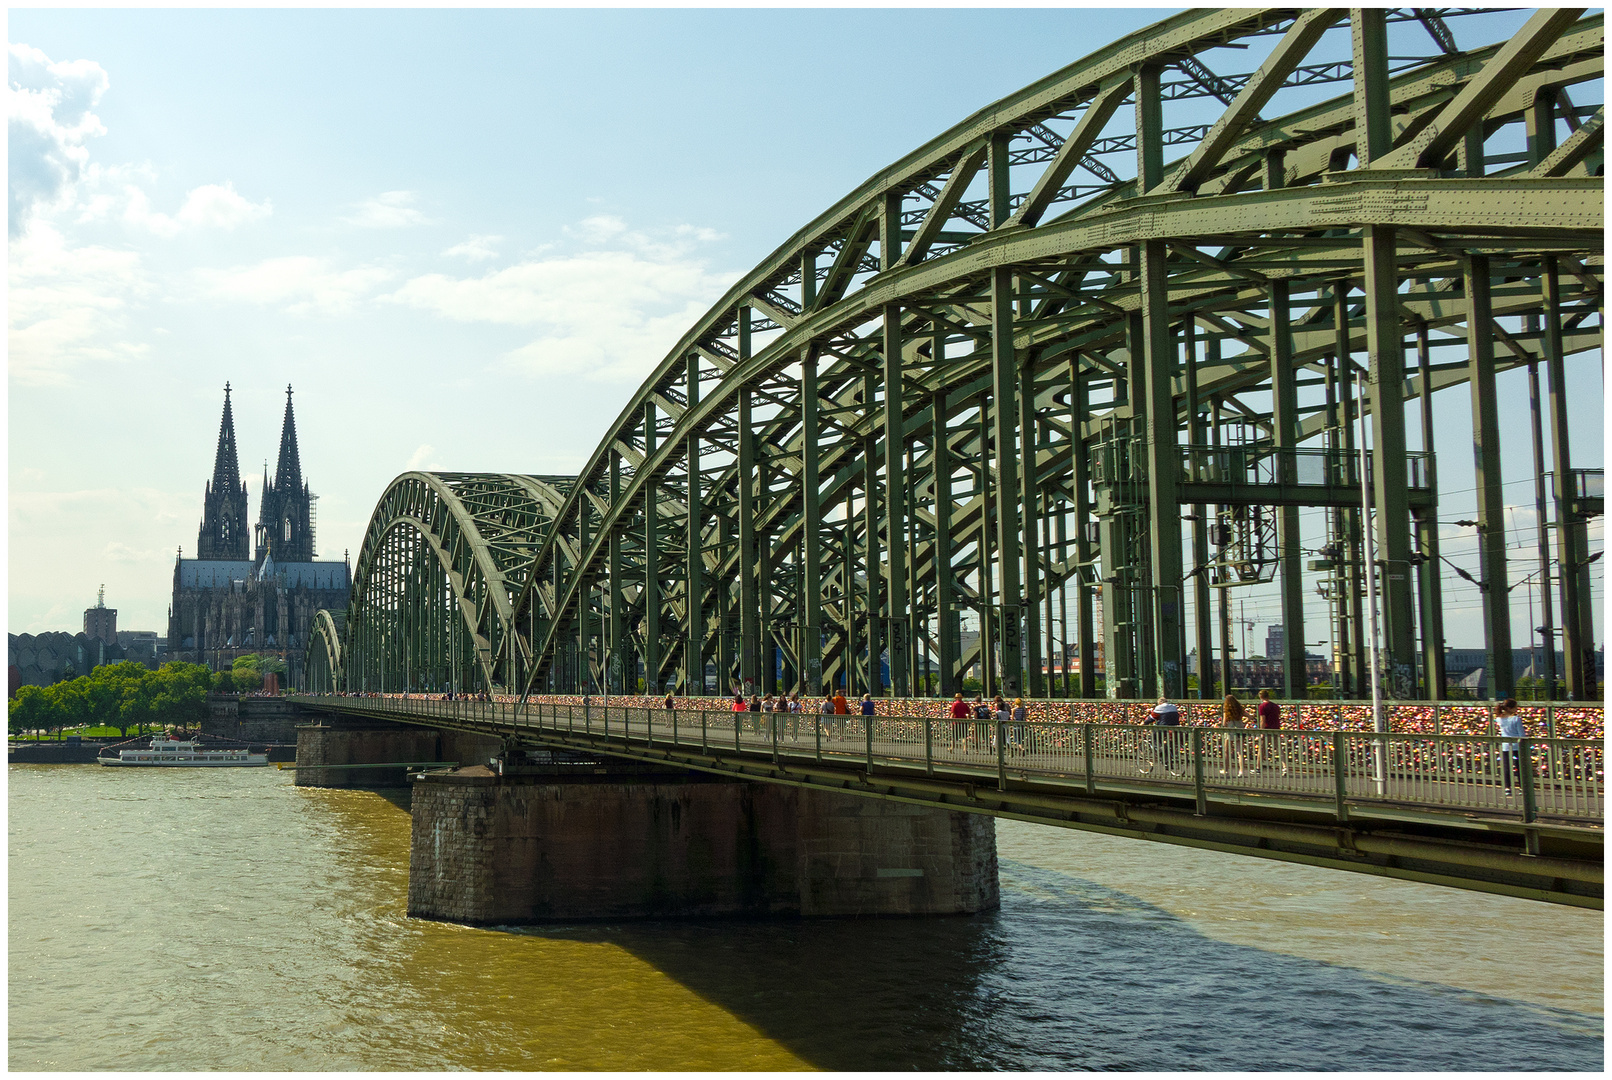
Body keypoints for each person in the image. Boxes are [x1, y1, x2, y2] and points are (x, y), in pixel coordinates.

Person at [1145, 695, 1182, 775]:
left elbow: (1151, 718)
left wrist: (1144, 723)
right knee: (1170, 743)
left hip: (1163, 727)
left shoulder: (1159, 708)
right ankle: (1168, 758)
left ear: (1160, 703)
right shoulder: (1173, 707)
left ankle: (1159, 748)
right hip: (1175, 726)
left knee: (1154, 737)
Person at [1496, 697, 1525, 796]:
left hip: (1505, 746)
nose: (1516, 709)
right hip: (1517, 745)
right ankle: (1522, 787)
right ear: (1510, 708)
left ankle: (1507, 788)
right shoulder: (1516, 719)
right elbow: (1522, 734)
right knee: (1519, 767)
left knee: (1506, 767)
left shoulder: (1499, 719)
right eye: (1515, 707)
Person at [1256, 689, 1285, 774]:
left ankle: (1258, 768)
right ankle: (1285, 766)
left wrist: (1261, 732)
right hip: (1276, 729)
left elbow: (1262, 720)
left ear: (1261, 697)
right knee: (1279, 749)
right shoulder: (1275, 706)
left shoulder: (1262, 706)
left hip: (1267, 730)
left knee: (1261, 749)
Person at [1221, 693, 1246, 776]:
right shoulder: (1240, 709)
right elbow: (1250, 716)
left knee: (1227, 751)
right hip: (1240, 730)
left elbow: (1224, 723)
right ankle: (1241, 771)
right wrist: (1243, 723)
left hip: (1230, 731)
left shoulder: (1227, 711)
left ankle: (1226, 770)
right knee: (1240, 752)